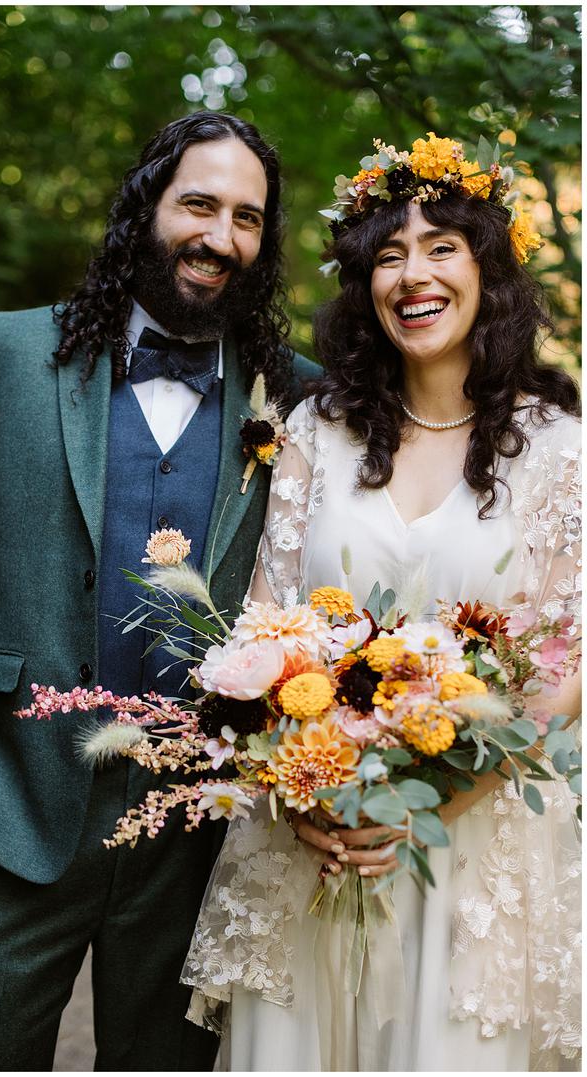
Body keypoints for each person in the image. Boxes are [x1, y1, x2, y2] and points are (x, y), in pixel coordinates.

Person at [0, 111, 317, 1070]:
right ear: (145, 207)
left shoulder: (302, 399)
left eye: (247, 219)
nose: (219, 237)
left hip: (197, 832)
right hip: (5, 802)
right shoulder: (1, 354)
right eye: (199, 204)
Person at [181, 134, 582, 1069]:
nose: (413, 274)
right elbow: (265, 615)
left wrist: (427, 806)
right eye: (387, 255)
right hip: (310, 842)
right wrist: (300, 790)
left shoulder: (562, 448)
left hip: (478, 843)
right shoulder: (315, 432)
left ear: (489, 269)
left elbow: (571, 662)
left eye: (441, 247)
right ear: (364, 284)